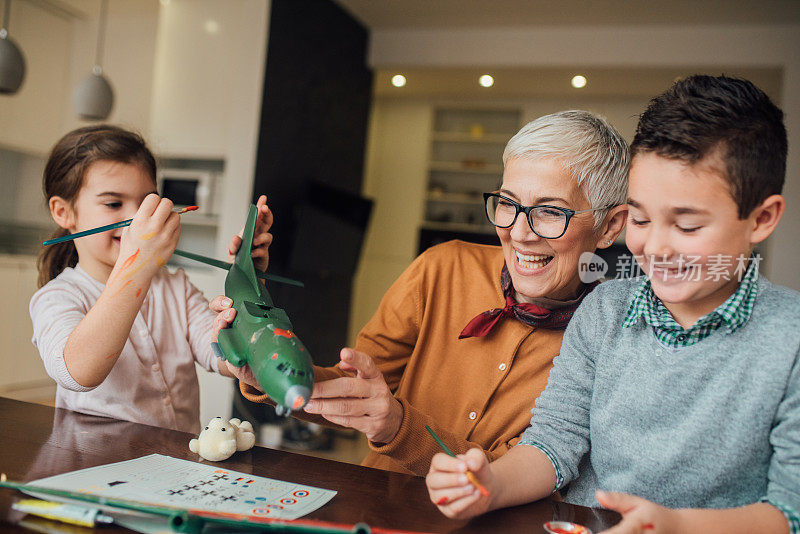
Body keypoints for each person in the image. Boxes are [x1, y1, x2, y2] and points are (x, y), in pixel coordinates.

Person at [425, 75, 800, 534]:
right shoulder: (604, 310)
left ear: (762, 219)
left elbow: (790, 510)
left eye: (686, 226)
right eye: (640, 218)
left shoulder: (790, 340)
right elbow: (553, 443)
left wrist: (678, 527)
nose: (655, 248)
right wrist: (491, 484)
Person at [213, 110, 630, 475]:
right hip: (377, 514)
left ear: (610, 226)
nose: (519, 233)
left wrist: (399, 427)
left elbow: (526, 476)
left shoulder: (611, 342)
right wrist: (263, 368)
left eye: (551, 212)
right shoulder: (442, 268)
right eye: (508, 203)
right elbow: (356, 389)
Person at [29, 125, 273, 433]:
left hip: (173, 469)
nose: (136, 219)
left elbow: (224, 355)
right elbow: (78, 373)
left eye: (147, 202)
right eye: (113, 203)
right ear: (63, 212)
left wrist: (247, 279)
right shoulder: (58, 296)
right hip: (96, 473)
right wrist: (137, 265)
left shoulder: (176, 288)